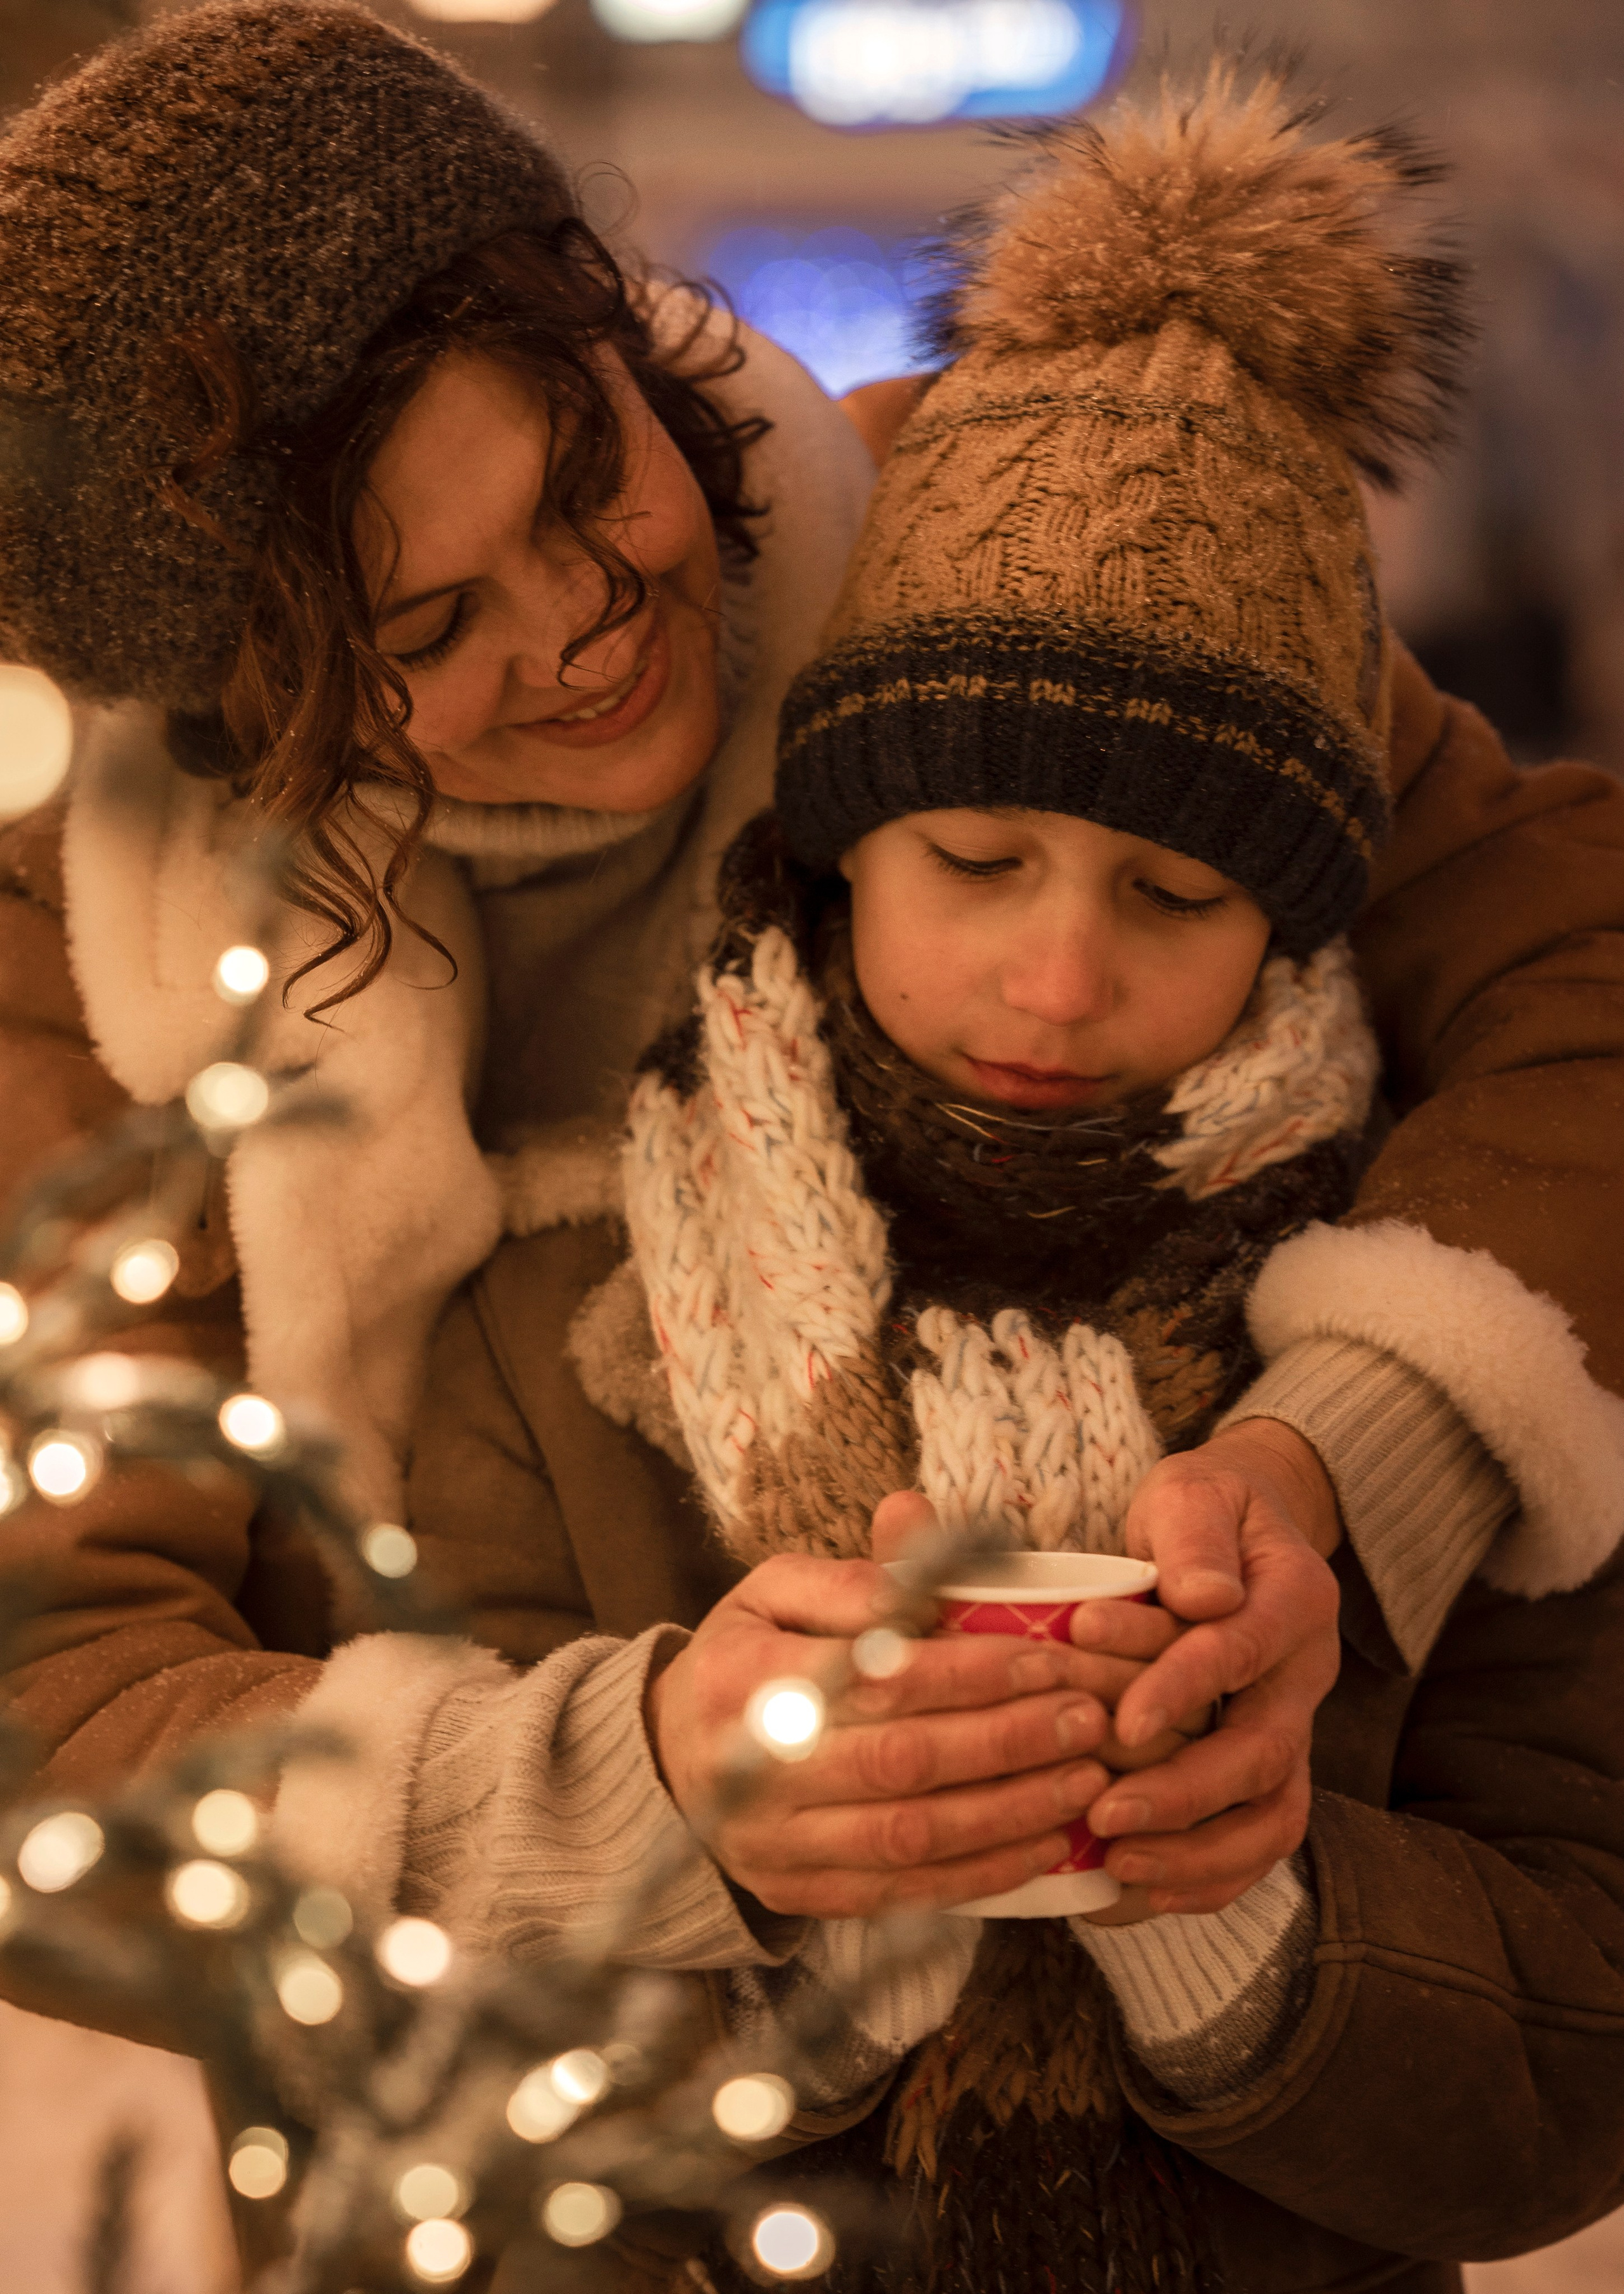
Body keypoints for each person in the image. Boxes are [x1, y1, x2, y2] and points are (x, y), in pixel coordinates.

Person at [0, 0, 1615, 2048]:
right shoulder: (84, 982)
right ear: (248, 710)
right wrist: (644, 1781)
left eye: (588, 484)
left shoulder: (1032, 544)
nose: (577, 627)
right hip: (513, 2169)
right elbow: (58, 1715)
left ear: (611, 320)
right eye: (428, 631)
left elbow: (1576, 969)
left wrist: (1338, 1459)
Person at [350, 69, 1624, 2294]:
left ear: (1304, 922)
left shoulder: (1444, 1311)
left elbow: (1567, 2057)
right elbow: (414, 2084)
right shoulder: (552, 1306)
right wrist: (734, 1851)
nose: (1055, 972)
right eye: (974, 856)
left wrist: (1249, 1916)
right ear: (833, 850)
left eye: (1176, 894)